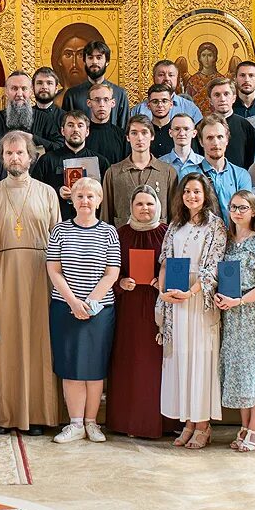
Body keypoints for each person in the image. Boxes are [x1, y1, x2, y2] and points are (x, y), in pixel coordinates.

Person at [0, 132, 64, 434]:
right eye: (8, 154)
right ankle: (2, 415)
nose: (14, 158)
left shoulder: (47, 193)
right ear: (2, 158)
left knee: (39, 343)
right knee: (4, 345)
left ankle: (38, 415)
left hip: (41, 275)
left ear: (31, 156)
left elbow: (57, 239)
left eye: (19, 153)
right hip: (1, 275)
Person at [45, 176, 120, 445]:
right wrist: (73, 302)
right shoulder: (60, 231)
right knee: (71, 366)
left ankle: (92, 422)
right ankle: (75, 423)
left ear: (99, 200)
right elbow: (53, 269)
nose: (85, 201)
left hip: (100, 311)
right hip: (65, 308)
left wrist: (90, 302)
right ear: (72, 200)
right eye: (79, 196)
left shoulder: (110, 232)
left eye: (90, 196)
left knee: (94, 367)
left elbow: (112, 272)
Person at [156, 172, 227, 448]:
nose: (191, 196)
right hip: (175, 300)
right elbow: (164, 261)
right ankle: (187, 420)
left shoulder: (215, 226)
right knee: (181, 359)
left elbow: (213, 268)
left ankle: (203, 424)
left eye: (196, 192)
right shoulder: (175, 225)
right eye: (187, 192)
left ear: (205, 194)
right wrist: (163, 292)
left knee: (200, 359)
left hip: (199, 300)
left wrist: (191, 292)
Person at [216, 187, 255, 452]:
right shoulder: (226, 242)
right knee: (238, 372)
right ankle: (244, 426)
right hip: (230, 315)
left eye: (243, 207)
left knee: (254, 371)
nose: (237, 212)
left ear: (253, 212)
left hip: (251, 313)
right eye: (233, 207)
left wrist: (239, 301)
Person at [107, 185, 169, 439]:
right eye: (139, 204)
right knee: (130, 363)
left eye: (149, 204)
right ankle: (127, 422)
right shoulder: (120, 234)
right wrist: (120, 282)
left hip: (159, 308)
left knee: (156, 367)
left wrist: (162, 282)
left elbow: (176, 267)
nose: (145, 209)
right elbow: (108, 268)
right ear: (130, 207)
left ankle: (161, 423)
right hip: (129, 309)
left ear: (158, 206)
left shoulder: (168, 234)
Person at [100, 117, 178, 226]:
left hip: (159, 240)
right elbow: (105, 217)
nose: (139, 138)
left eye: (144, 132)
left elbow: (175, 216)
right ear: (128, 137)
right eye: (134, 133)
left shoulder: (168, 172)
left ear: (152, 136)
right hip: (123, 239)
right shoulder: (113, 173)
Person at [34, 110, 106, 221]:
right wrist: (57, 192)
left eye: (80, 125)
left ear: (87, 131)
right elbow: (35, 192)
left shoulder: (100, 162)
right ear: (63, 131)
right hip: (57, 222)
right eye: (70, 125)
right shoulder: (47, 160)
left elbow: (107, 196)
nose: (75, 130)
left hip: (91, 225)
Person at [61, 40, 130, 130]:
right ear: (84, 61)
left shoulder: (120, 94)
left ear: (107, 61)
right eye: (90, 57)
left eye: (99, 57)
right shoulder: (72, 95)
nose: (94, 62)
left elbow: (124, 129)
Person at [196, 114, 251, 221]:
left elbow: (245, 215)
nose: (215, 143)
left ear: (227, 140)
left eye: (220, 137)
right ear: (201, 142)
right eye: (209, 138)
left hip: (234, 235)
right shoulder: (189, 173)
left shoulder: (241, 175)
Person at [203, 76, 255, 168]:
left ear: (234, 98)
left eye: (226, 94)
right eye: (217, 95)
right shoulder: (202, 127)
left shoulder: (246, 126)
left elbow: (252, 160)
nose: (222, 99)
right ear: (210, 101)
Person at [83, 84, 128, 167]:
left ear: (113, 103)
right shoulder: (82, 134)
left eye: (106, 100)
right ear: (89, 103)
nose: (102, 104)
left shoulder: (122, 136)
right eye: (97, 100)